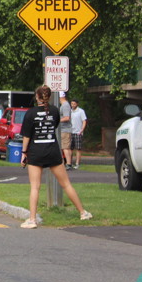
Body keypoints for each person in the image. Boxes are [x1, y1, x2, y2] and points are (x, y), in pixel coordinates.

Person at [20, 85, 92, 229]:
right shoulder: (54, 111)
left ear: (37, 97)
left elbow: (27, 136)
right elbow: (55, 125)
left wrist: (24, 153)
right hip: (52, 151)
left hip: (35, 152)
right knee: (66, 184)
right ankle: (83, 213)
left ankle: (32, 220)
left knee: (35, 187)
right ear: (49, 97)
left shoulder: (30, 113)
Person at [69, 98, 88, 169]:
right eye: (72, 104)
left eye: (74, 104)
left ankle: (77, 163)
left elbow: (84, 121)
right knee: (70, 148)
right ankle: (69, 163)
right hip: (71, 132)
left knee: (78, 148)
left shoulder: (81, 111)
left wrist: (82, 130)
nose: (73, 105)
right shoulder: (70, 111)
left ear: (77, 104)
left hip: (78, 132)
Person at [58, 92, 72, 169]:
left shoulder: (65, 105)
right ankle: (67, 163)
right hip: (64, 129)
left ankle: (68, 164)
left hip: (65, 129)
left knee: (65, 147)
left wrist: (57, 120)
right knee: (65, 147)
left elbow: (67, 118)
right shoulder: (64, 105)